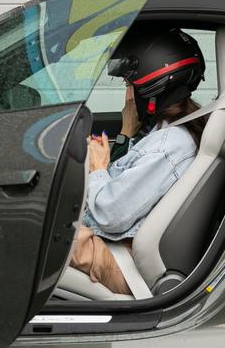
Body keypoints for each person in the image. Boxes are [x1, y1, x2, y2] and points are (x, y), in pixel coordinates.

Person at [68, 27, 207, 296]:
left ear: (151, 86)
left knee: (29, 236)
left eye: (129, 85)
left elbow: (110, 214)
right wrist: (126, 133)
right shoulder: (167, 133)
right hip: (115, 246)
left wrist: (97, 169)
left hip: (120, 260)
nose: (128, 95)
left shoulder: (167, 146)